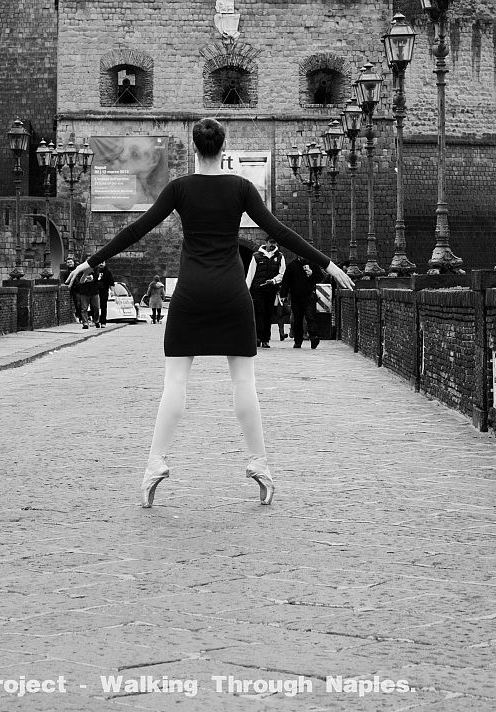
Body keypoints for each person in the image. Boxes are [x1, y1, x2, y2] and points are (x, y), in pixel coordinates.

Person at [66, 117, 354, 510]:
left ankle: (155, 463)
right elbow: (280, 230)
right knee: (243, 381)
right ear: (223, 147)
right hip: (232, 294)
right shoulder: (241, 187)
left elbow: (137, 229)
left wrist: (91, 261)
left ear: (195, 147)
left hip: (190, 294)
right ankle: (260, 465)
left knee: (175, 382)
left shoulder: (179, 188)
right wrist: (329, 264)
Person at [246, 237, 285, 346]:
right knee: (259, 312)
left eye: (274, 243)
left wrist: (273, 281)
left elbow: (282, 273)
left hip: (271, 289)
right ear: (266, 243)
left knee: (268, 314)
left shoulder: (280, 256)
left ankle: (265, 339)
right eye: (271, 243)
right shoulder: (257, 256)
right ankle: (258, 337)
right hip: (258, 289)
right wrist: (246, 289)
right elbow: (250, 274)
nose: (272, 245)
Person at [281, 254, 324, 349]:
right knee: (297, 319)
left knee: (310, 317)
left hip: (309, 296)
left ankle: (314, 337)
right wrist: (283, 294)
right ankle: (298, 340)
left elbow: (320, 277)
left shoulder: (313, 264)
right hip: (296, 297)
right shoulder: (292, 265)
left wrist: (312, 273)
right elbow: (286, 281)